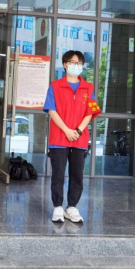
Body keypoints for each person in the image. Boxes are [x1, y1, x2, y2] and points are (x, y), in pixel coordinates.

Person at [43, 50, 101, 224]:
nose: (76, 66)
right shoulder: (55, 86)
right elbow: (51, 110)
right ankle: (58, 207)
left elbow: (90, 112)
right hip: (59, 138)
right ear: (65, 64)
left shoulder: (88, 87)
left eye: (79, 63)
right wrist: (67, 130)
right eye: (72, 62)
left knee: (77, 175)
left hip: (79, 139)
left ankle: (72, 207)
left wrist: (79, 130)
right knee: (58, 174)